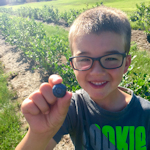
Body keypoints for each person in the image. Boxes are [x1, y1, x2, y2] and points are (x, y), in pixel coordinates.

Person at [16, 6, 150, 150]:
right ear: (73, 65)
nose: (97, 71)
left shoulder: (146, 114)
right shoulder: (71, 108)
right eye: (84, 59)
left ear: (126, 64)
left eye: (111, 58)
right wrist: (39, 134)